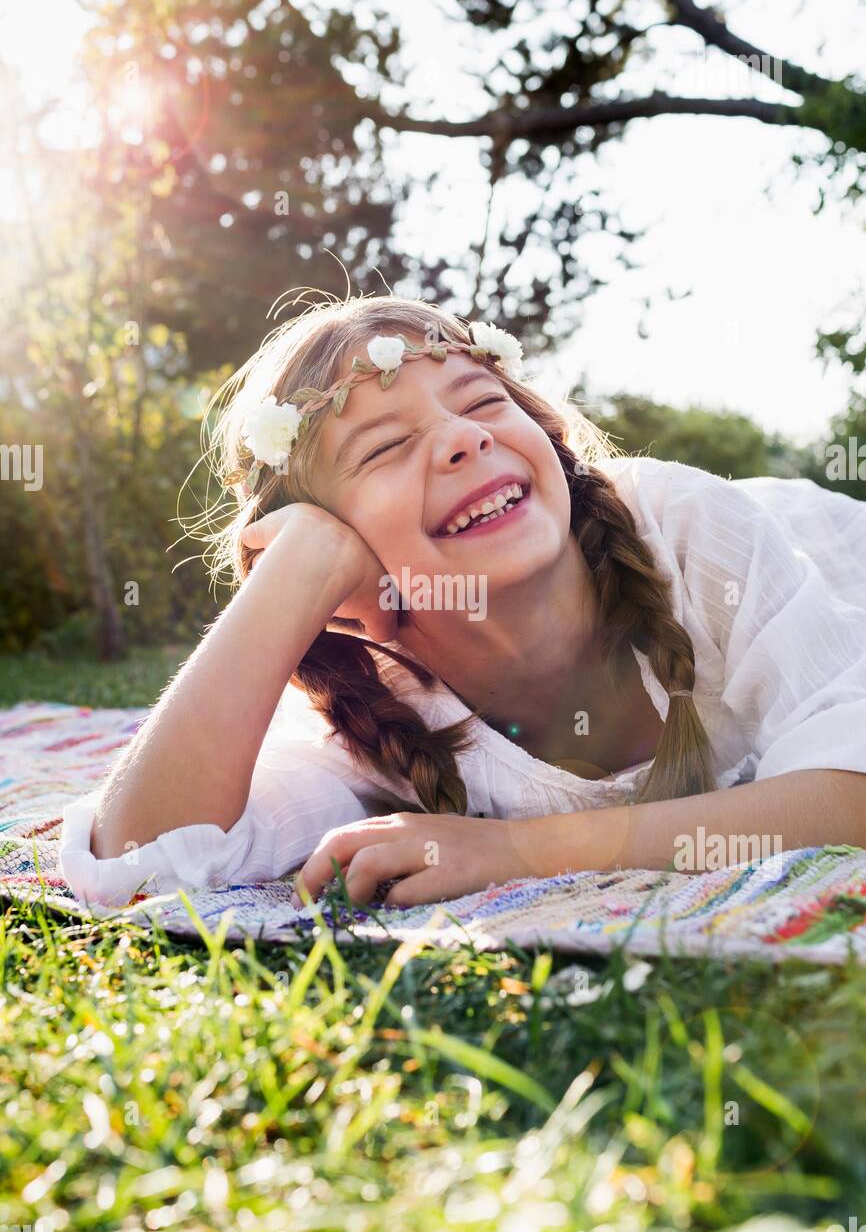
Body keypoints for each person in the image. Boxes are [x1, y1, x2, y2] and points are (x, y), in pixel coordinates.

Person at [59, 294, 866, 910]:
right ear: (348, 594)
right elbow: (134, 862)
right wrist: (295, 576)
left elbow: (850, 791)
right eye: (384, 447)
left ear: (545, 441)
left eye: (482, 402)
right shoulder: (376, 713)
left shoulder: (692, 535)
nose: (463, 436)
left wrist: (515, 852)